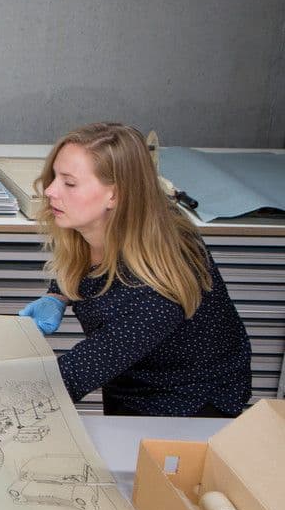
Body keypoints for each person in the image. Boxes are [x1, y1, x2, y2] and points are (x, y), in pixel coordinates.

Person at [19, 122, 251, 417]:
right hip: (128, 380)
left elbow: (75, 374)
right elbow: (84, 265)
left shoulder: (159, 286)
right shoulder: (99, 226)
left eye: (69, 183)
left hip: (187, 404)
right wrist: (59, 295)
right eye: (54, 177)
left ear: (115, 196)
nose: (50, 190)